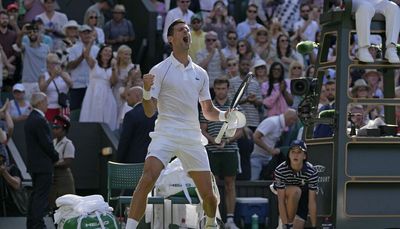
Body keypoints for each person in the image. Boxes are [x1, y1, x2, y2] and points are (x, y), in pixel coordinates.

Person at [126, 19, 231, 229]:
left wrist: (226, 116)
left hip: (192, 137)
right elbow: (149, 111)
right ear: (171, 39)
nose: (187, 32)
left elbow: (208, 111)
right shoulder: (159, 69)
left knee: (209, 197)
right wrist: (146, 90)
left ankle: (210, 223)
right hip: (165, 133)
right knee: (147, 178)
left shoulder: (201, 74)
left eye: (188, 30)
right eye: (181, 30)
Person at [200, 78, 242, 229]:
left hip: (230, 151)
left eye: (223, 88)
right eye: (218, 89)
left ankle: (230, 220)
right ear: (214, 89)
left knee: (230, 184)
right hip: (211, 151)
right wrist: (214, 141)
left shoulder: (235, 106)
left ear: (228, 88)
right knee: (212, 185)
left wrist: (228, 141)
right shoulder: (207, 106)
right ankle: (214, 218)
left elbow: (240, 130)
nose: (220, 91)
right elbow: (203, 129)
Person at [24, 92, 59, 229]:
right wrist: (55, 156)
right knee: (41, 196)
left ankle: (31, 223)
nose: (48, 104)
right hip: (43, 165)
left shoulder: (31, 119)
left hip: (34, 165)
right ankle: (38, 224)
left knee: (35, 195)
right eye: (46, 102)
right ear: (39, 103)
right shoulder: (39, 120)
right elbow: (47, 143)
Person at [271, 140, 318, 229]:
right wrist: (286, 225)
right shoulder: (280, 170)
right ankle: (285, 223)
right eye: (293, 152)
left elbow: (312, 201)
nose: (295, 155)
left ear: (304, 156)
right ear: (289, 155)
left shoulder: (312, 171)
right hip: (284, 194)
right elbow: (281, 200)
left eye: (299, 152)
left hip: (303, 196)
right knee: (296, 191)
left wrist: (314, 226)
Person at [79, 44, 118, 131]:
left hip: (107, 93)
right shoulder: (94, 63)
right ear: (100, 52)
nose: (108, 53)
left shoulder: (113, 67)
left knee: (106, 115)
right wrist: (91, 41)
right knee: (92, 113)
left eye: (110, 51)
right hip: (93, 93)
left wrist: (114, 68)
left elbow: (113, 82)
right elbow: (85, 55)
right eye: (106, 50)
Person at [250, 109, 298, 180]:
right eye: (294, 121)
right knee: (253, 184)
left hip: (267, 159)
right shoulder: (273, 122)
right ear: (291, 119)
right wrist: (270, 150)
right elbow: (255, 137)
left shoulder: (279, 125)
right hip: (257, 158)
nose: (293, 124)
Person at [117, 86, 156, 163]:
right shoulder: (155, 113)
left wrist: (118, 160)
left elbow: (125, 140)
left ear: (138, 96)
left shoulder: (131, 115)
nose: (126, 98)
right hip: (152, 159)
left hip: (133, 162)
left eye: (129, 95)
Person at [48, 115, 75, 211]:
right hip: (54, 177)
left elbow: (68, 162)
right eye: (54, 127)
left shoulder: (68, 144)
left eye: (57, 128)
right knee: (54, 204)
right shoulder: (53, 142)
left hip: (64, 179)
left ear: (64, 129)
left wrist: (54, 164)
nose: (54, 130)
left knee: (66, 205)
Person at [38, 53, 73, 121]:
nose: (56, 65)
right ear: (47, 64)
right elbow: (41, 89)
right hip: (49, 108)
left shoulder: (64, 74)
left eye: (57, 63)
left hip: (63, 107)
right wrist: (52, 77)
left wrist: (61, 74)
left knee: (64, 127)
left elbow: (71, 84)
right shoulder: (43, 76)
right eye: (53, 63)